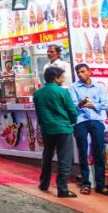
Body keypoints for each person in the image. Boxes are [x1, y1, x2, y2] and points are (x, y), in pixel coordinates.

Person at [33, 66, 78, 198]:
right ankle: (62, 189)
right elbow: (72, 111)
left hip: (47, 129)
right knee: (65, 159)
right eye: (62, 77)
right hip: (63, 128)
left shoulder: (38, 93)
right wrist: (71, 121)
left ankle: (44, 183)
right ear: (55, 78)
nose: (63, 80)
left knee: (47, 156)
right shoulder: (62, 92)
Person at [69, 63, 108, 195]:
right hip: (80, 121)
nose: (80, 74)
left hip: (96, 120)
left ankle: (100, 184)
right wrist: (82, 104)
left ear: (89, 72)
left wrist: (90, 105)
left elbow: (104, 104)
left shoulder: (99, 87)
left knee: (99, 151)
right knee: (82, 152)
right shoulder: (73, 87)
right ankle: (85, 183)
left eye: (83, 72)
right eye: (78, 73)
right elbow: (73, 105)